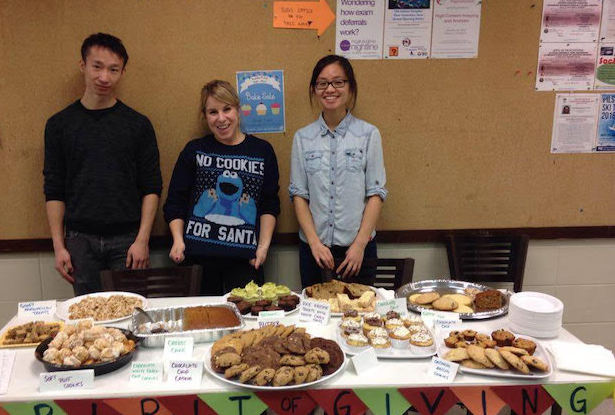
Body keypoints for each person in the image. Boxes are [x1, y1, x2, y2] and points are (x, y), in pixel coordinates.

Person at [43, 33, 163, 295]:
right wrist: (58, 246)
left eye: (113, 69)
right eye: (97, 67)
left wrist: (143, 240)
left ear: (122, 72)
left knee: (131, 315)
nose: (104, 77)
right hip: (79, 240)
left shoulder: (138, 125)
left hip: (128, 240)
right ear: (83, 66)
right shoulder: (59, 125)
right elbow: (54, 189)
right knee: (87, 321)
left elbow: (151, 186)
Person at [164, 80, 280, 295]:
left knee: (247, 325)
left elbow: (269, 205)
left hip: (246, 261)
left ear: (237, 109)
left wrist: (263, 247)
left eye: (227, 109)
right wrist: (178, 241)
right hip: (198, 260)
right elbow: (175, 202)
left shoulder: (262, 151)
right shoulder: (194, 150)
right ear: (205, 116)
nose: (221, 118)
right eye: (213, 112)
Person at [289, 55, 387, 289]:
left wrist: (360, 245)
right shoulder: (303, 138)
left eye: (338, 82)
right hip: (315, 250)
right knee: (316, 319)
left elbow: (376, 193)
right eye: (322, 83)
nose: (330, 89)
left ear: (350, 87)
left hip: (357, 251)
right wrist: (314, 243)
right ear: (314, 90)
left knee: (362, 318)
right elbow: (299, 195)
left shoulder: (368, 134)